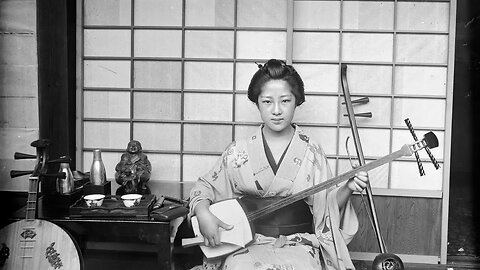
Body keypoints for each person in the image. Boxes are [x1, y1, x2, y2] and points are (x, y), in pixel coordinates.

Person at [187, 59, 368, 270]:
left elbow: (326, 206)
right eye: (267, 102)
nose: (276, 110)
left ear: (297, 101)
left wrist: (348, 187)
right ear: (257, 103)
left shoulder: (312, 152)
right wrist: (203, 212)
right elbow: (204, 187)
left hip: (299, 242)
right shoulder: (238, 152)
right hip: (246, 243)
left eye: (285, 101)